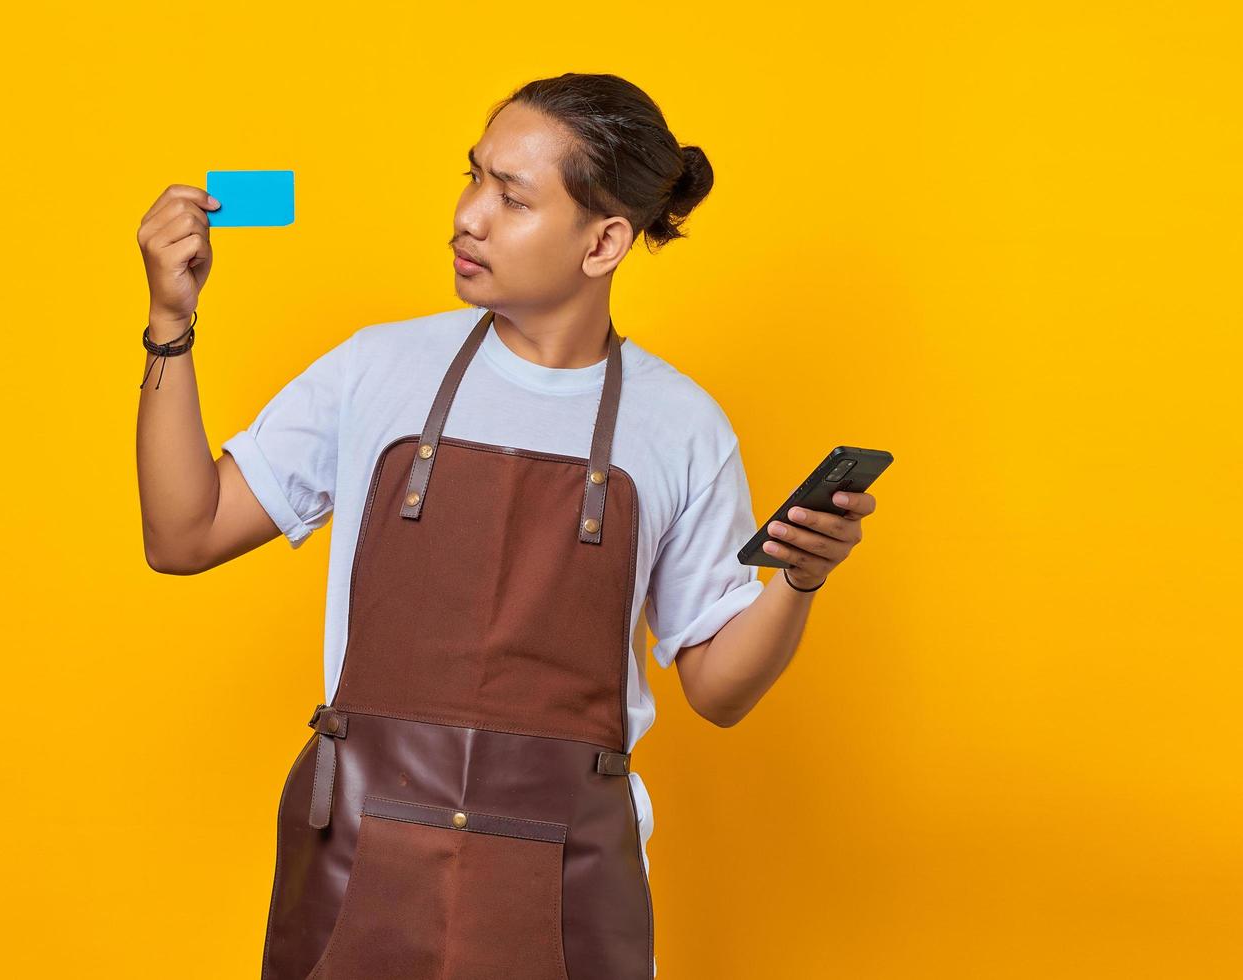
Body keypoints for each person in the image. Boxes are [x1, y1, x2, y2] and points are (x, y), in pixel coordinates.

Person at [135, 72, 875, 980]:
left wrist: (798, 581)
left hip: (568, 883)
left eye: (512, 198)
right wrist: (172, 324)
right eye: (474, 176)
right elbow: (184, 533)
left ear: (604, 242)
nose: (468, 216)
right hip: (361, 854)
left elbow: (718, 689)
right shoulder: (377, 368)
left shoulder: (682, 425)